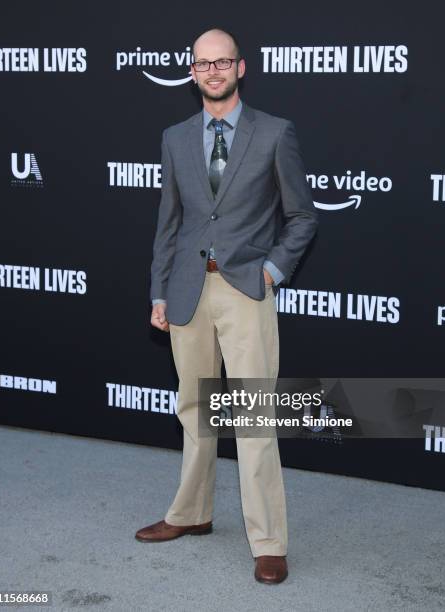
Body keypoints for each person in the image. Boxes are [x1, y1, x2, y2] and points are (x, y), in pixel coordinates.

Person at [135, 27, 318, 585]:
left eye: (222, 62)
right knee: (194, 410)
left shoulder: (274, 133)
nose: (212, 71)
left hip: (244, 289)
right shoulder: (175, 137)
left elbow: (303, 216)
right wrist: (159, 291)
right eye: (201, 64)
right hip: (188, 290)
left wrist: (269, 271)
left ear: (241, 68)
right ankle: (191, 514)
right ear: (193, 73)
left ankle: (268, 541)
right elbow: (169, 222)